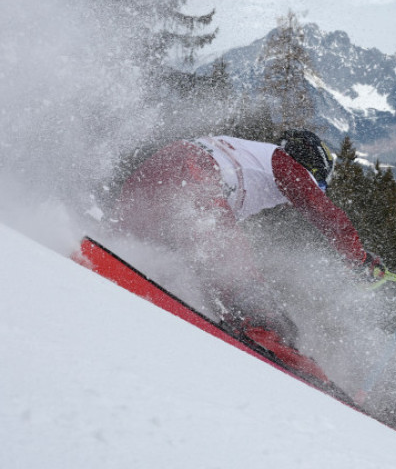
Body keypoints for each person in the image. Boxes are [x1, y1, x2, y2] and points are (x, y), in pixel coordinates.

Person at [113, 130, 378, 355]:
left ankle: (119, 258)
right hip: (195, 175)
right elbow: (325, 214)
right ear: (310, 168)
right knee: (246, 286)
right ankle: (266, 332)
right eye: (318, 185)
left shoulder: (246, 156)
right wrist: (358, 259)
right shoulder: (283, 162)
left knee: (184, 256)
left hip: (154, 173)